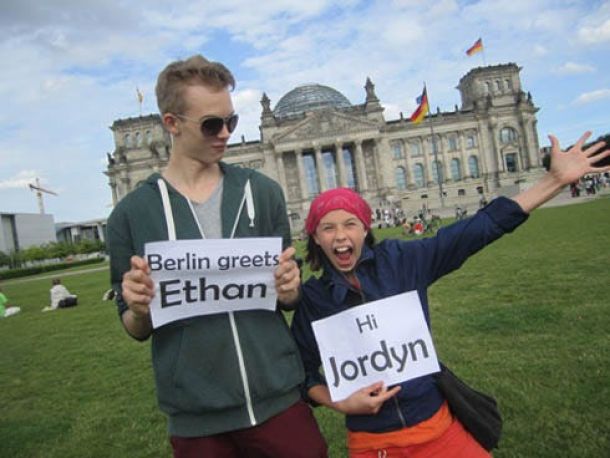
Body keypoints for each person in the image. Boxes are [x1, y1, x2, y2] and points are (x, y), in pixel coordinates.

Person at [290, 131, 610, 458]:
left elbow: (477, 230)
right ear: (315, 237)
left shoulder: (402, 262)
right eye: (328, 228)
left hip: (438, 428)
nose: (340, 236)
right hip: (373, 443)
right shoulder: (314, 299)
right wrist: (341, 402)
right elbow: (300, 372)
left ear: (365, 228)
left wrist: (553, 181)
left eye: (350, 224)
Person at [106, 55, 326, 457]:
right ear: (172, 123)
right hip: (196, 414)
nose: (225, 133)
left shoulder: (262, 192)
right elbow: (135, 327)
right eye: (211, 124)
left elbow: (288, 298)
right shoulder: (130, 215)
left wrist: (289, 287)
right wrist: (138, 308)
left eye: (231, 121)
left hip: (278, 398)